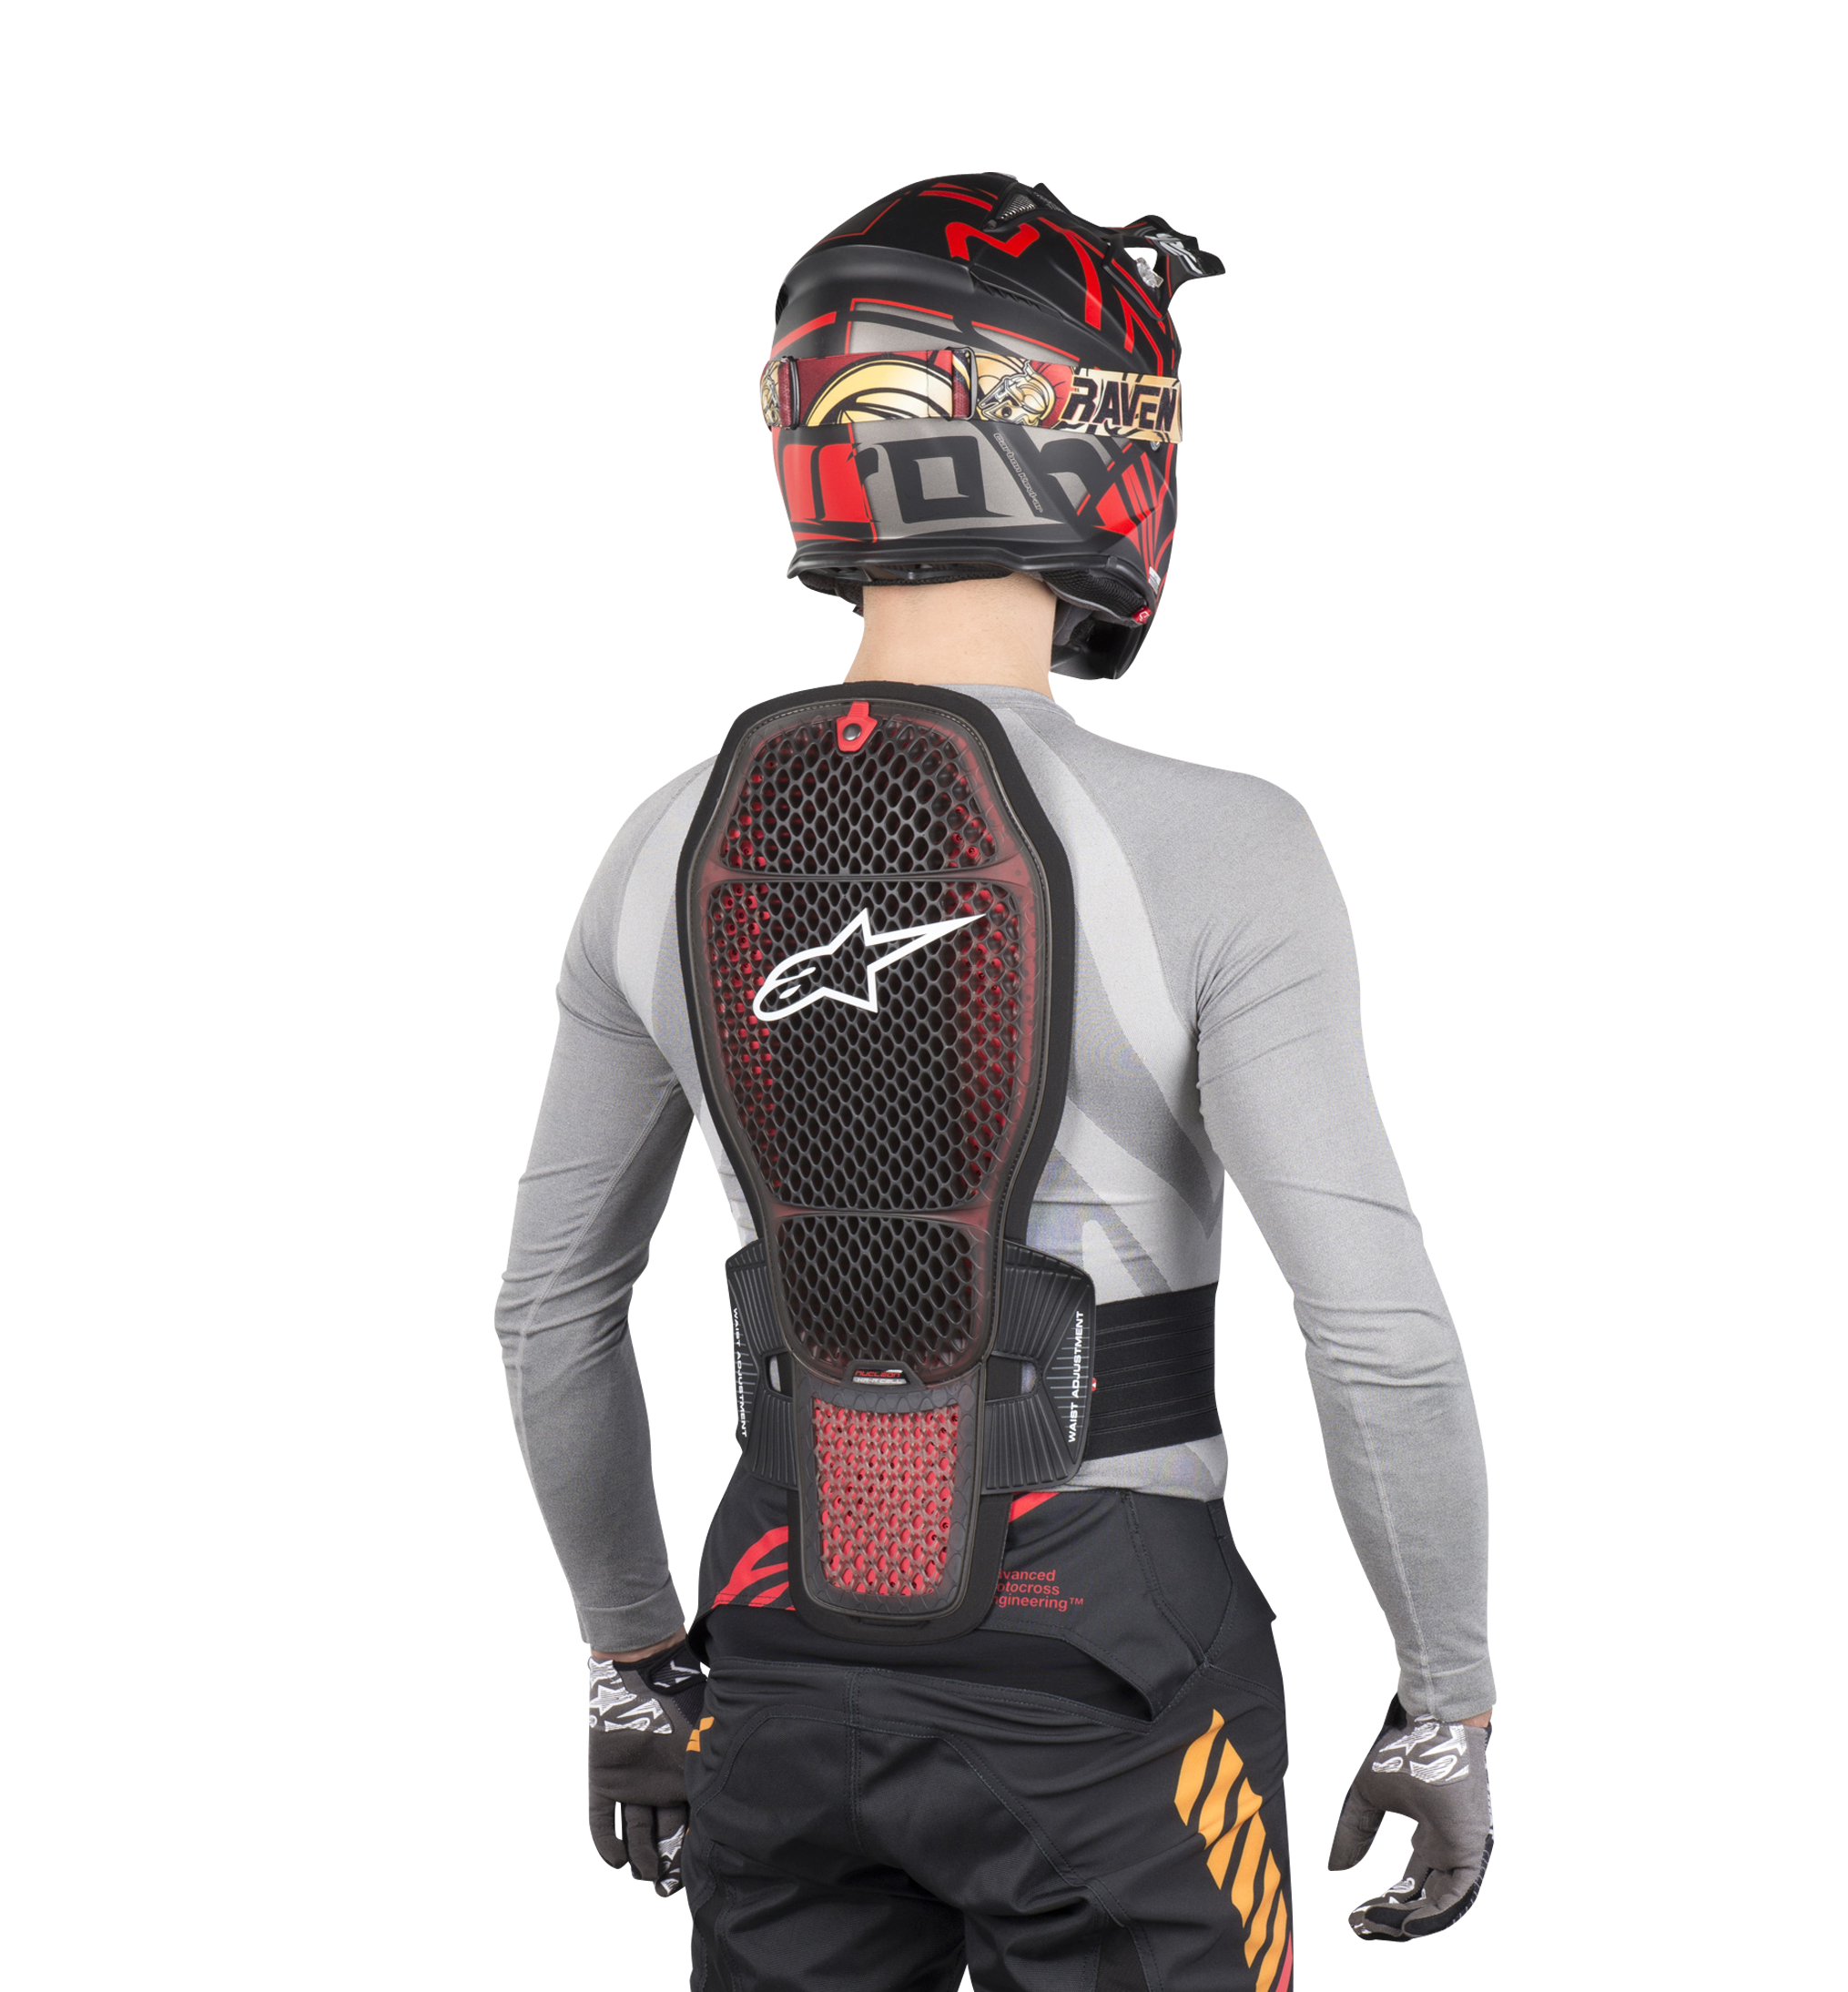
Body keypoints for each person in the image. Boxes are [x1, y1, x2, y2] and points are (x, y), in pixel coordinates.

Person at [497, 177, 1491, 1987]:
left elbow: (551, 1309)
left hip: (779, 1652)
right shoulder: (1221, 845)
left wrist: (634, 1661)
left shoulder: (650, 856)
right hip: (1104, 1664)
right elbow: (1374, 1335)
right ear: (1089, 435)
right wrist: (1447, 1703)